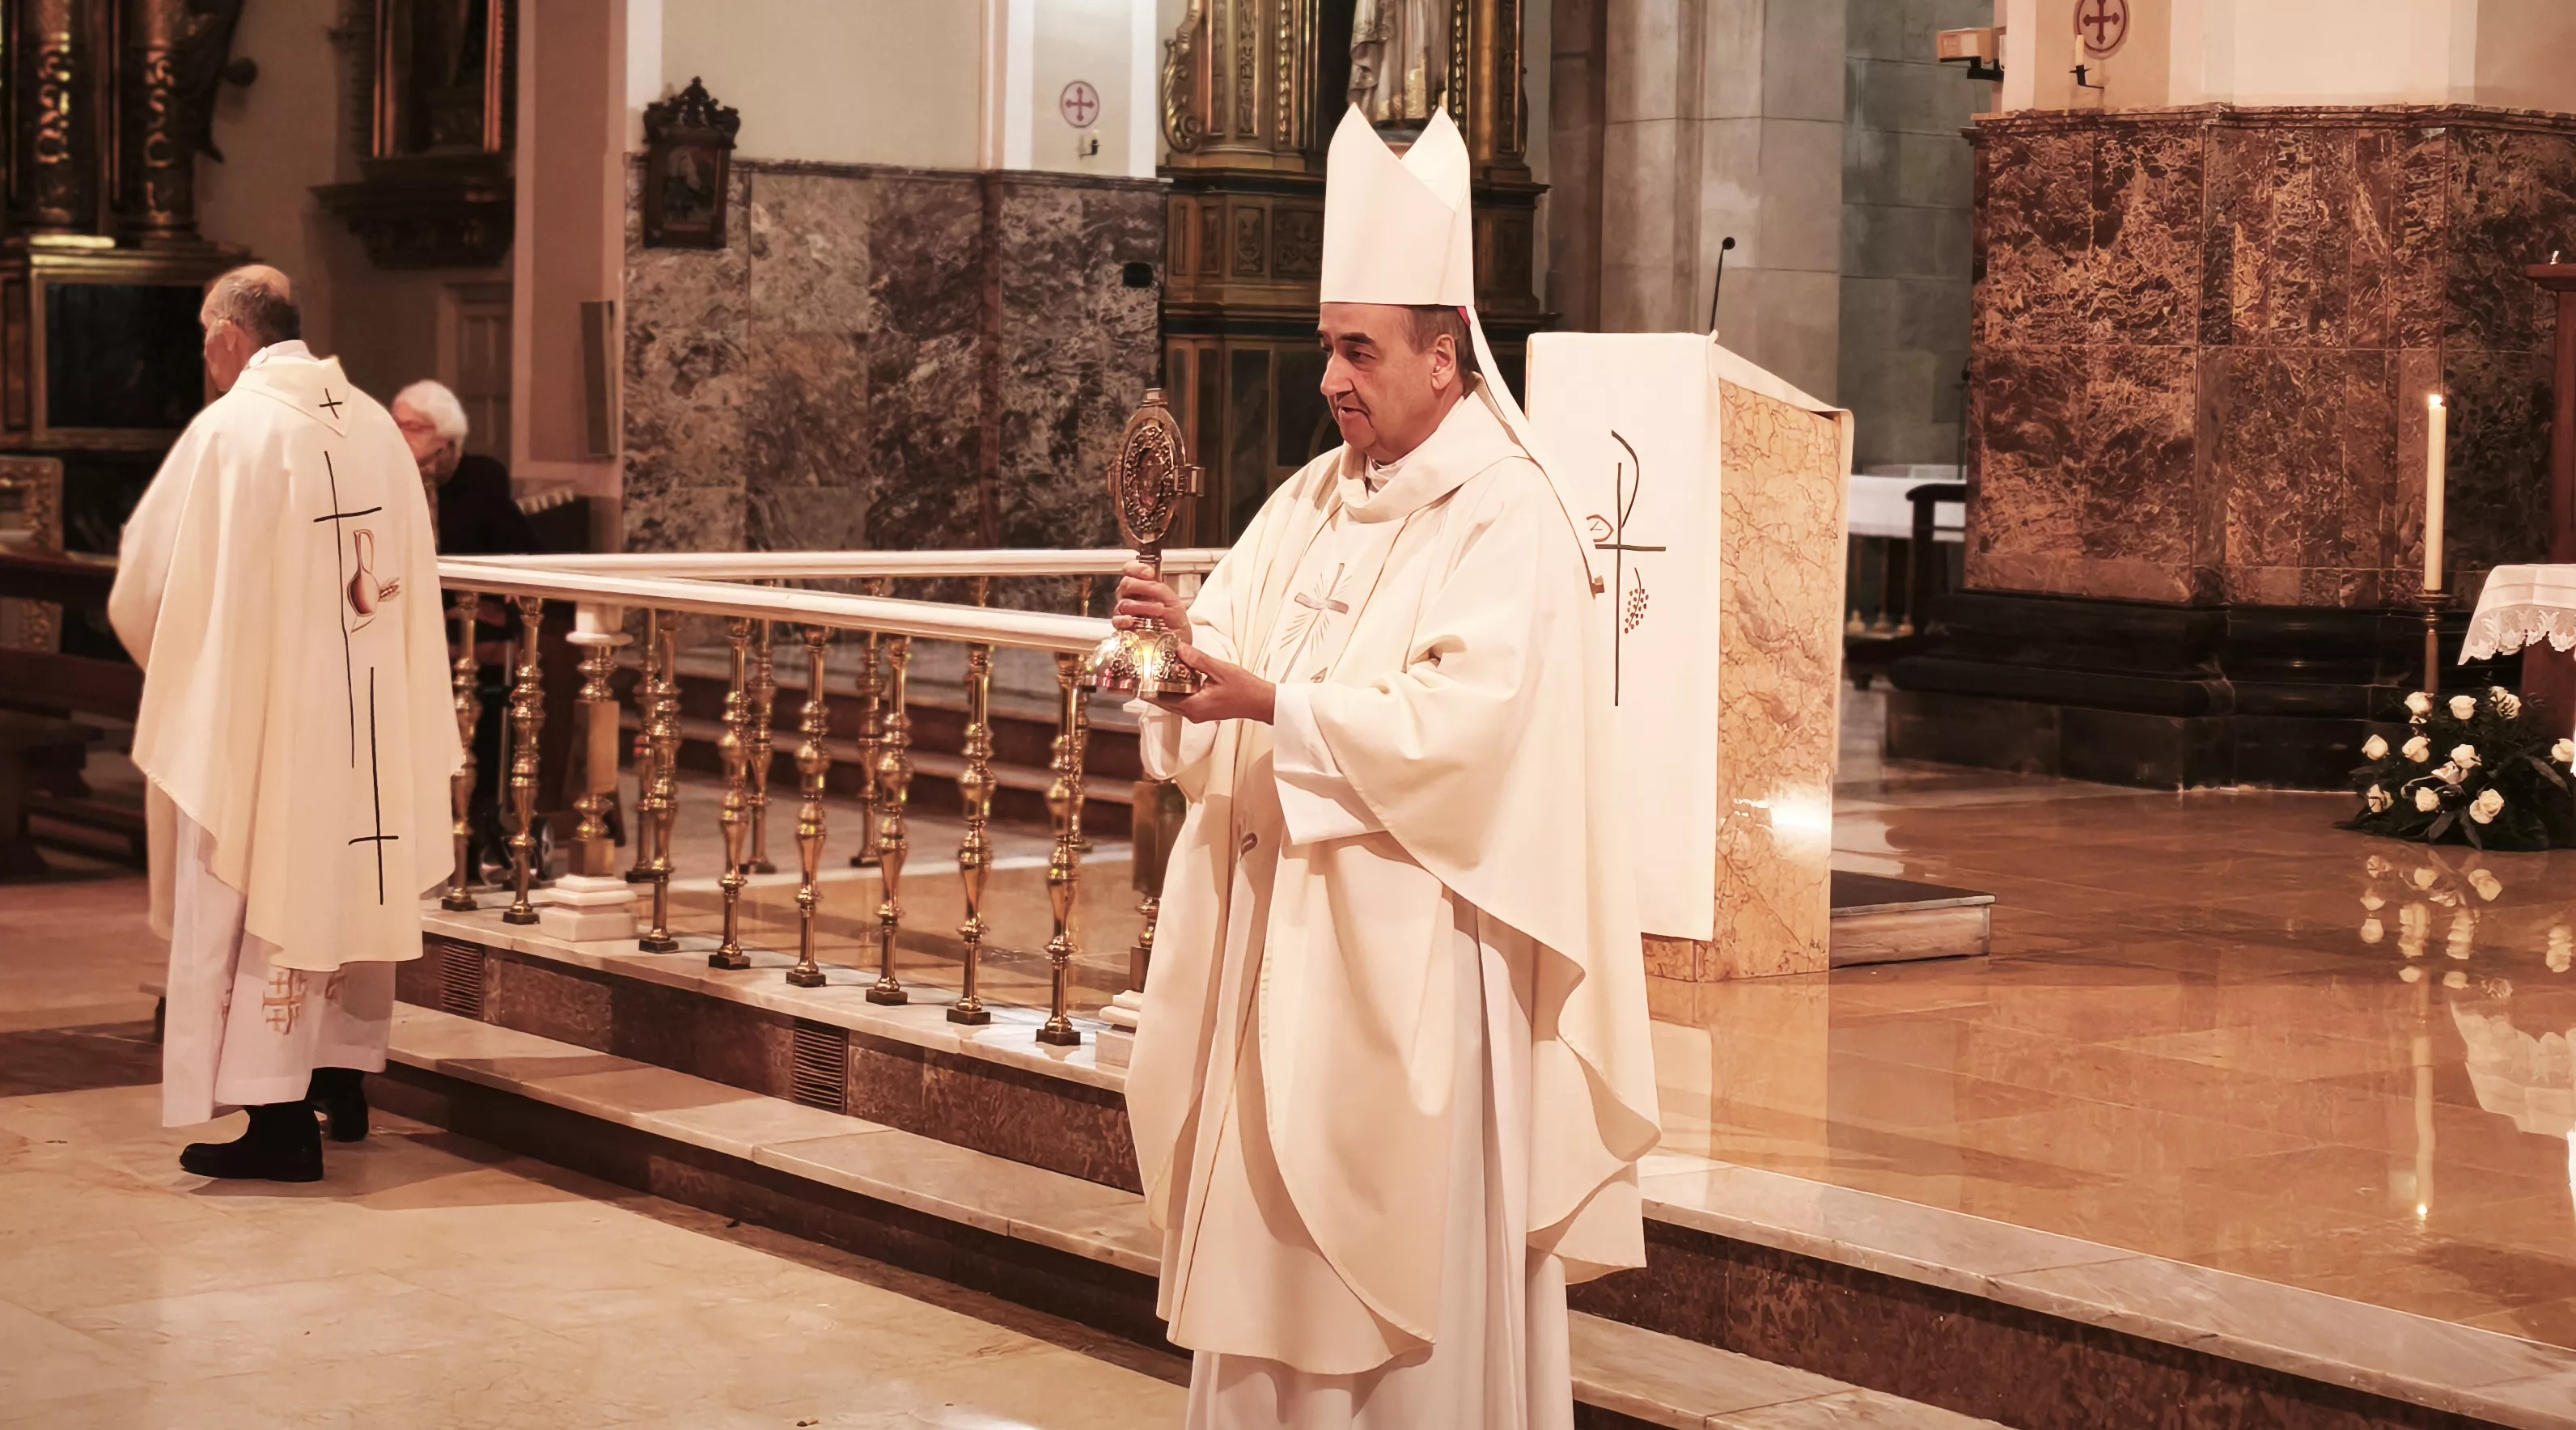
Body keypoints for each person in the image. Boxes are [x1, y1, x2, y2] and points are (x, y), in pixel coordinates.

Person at [1117, 108, 1660, 1429]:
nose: (1330, 379)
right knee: (1260, 1258)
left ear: (1442, 352)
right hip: (1272, 949)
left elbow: (1466, 730)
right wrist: (1171, 663)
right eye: (1325, 348)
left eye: (1356, 350)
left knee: (1402, 1297)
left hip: (1412, 970)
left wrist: (1276, 707)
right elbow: (1231, 655)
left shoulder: (1509, 513)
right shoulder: (1310, 495)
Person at [108, 265, 460, 1181]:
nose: (206, 357)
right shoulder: (376, 422)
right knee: (346, 878)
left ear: (228, 337)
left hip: (269, 721)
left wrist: (195, 679)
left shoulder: (233, 429)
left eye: (203, 340)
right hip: (364, 718)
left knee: (263, 882)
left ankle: (275, 1118)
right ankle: (340, 1081)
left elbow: (150, 578)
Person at [392, 378, 539, 876]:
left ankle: (475, 833)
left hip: (473, 644)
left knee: (477, 741)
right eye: (397, 425)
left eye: (412, 428)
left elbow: (518, 557)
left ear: (448, 440)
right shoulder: (386, 479)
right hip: (406, 639)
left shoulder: (480, 480)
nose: (400, 436)